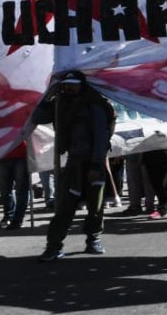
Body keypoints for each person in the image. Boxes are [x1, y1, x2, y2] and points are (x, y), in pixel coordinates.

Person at [33, 70, 115, 261]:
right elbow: (38, 118)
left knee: (95, 207)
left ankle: (93, 239)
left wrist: (96, 166)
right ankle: (54, 246)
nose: (69, 87)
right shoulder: (60, 103)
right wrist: (48, 97)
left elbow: (101, 137)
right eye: (66, 84)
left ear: (81, 84)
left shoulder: (93, 104)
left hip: (93, 163)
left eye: (73, 84)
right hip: (73, 163)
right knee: (64, 207)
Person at [0, 140, 29, 229]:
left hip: (21, 154)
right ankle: (8, 217)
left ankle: (18, 219)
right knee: (4, 190)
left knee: (21, 189)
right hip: (2, 155)